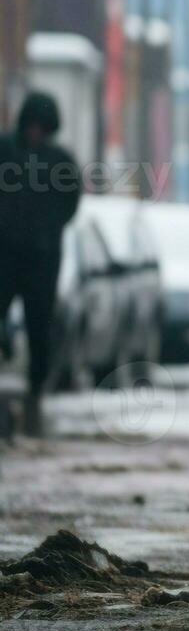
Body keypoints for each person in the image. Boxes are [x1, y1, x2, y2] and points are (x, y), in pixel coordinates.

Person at [0, 93, 82, 437]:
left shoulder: (60, 160)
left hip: (42, 258)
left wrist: (48, 229)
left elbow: (70, 201)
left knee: (39, 326)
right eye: (32, 126)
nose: (35, 133)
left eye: (42, 127)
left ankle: (35, 390)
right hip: (4, 253)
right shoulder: (5, 151)